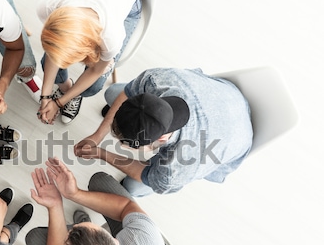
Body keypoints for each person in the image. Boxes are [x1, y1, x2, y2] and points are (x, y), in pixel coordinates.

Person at [74, 67, 253, 197]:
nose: (120, 145)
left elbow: (142, 173)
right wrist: (97, 136)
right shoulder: (158, 80)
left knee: (133, 187)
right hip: (230, 97)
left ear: (160, 138)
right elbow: (127, 93)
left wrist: (101, 153)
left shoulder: (176, 169)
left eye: (126, 144)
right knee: (113, 92)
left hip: (238, 137)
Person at [25, 157, 183, 245]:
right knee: (100, 181)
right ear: (115, 241)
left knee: (34, 239)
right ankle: (82, 244)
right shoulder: (145, 238)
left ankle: (81, 244)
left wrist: (55, 205)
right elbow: (125, 207)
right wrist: (75, 194)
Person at [36, 0, 142, 125]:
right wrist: (45, 96)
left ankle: (74, 95)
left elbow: (95, 70)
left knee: (93, 86)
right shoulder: (48, 6)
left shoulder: (110, 38)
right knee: (46, 64)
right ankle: (67, 89)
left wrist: (59, 102)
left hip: (128, 8)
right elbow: (54, 51)